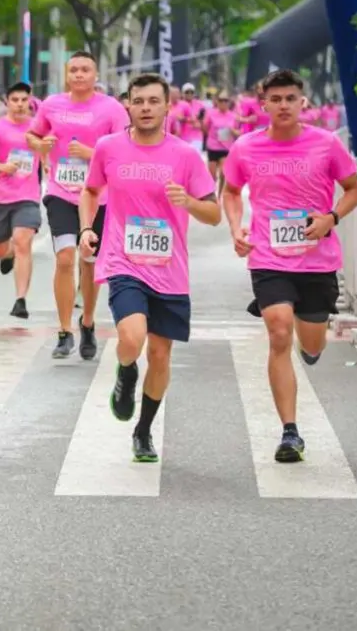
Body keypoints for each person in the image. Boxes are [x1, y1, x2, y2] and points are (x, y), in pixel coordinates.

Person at [222, 68, 357, 463]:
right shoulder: (246, 148)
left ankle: (312, 345)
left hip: (317, 260)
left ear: (304, 103)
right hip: (268, 258)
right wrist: (237, 228)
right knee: (279, 330)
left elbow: (355, 189)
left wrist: (330, 219)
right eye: (276, 99)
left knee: (311, 341)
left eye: (290, 99)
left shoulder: (326, 144)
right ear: (263, 104)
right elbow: (231, 192)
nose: (283, 105)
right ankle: (289, 432)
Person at [79, 73, 221, 462]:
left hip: (170, 269)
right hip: (123, 261)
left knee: (160, 355)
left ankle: (143, 432)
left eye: (152, 101)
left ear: (166, 106)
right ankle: (126, 373)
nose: (145, 108)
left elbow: (214, 214)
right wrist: (87, 229)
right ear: (127, 104)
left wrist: (188, 202)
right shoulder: (108, 148)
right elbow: (90, 191)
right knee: (132, 336)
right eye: (137, 101)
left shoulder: (186, 156)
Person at [29, 51, 130, 359]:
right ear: (66, 74)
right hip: (61, 192)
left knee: (88, 260)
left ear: (95, 74)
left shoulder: (111, 108)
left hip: (98, 196)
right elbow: (33, 135)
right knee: (64, 258)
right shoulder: (52, 105)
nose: (79, 75)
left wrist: (91, 154)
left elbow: (126, 147)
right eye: (73, 70)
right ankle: (63, 330)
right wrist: (40, 144)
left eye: (85, 69)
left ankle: (86, 321)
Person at [0, 81, 42, 318]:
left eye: (24, 100)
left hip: (27, 196)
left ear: (30, 101)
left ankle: (20, 300)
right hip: (0, 198)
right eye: (15, 100)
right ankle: (8, 254)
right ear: (7, 103)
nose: (20, 105)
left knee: (24, 241)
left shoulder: (37, 128)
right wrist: (2, 166)